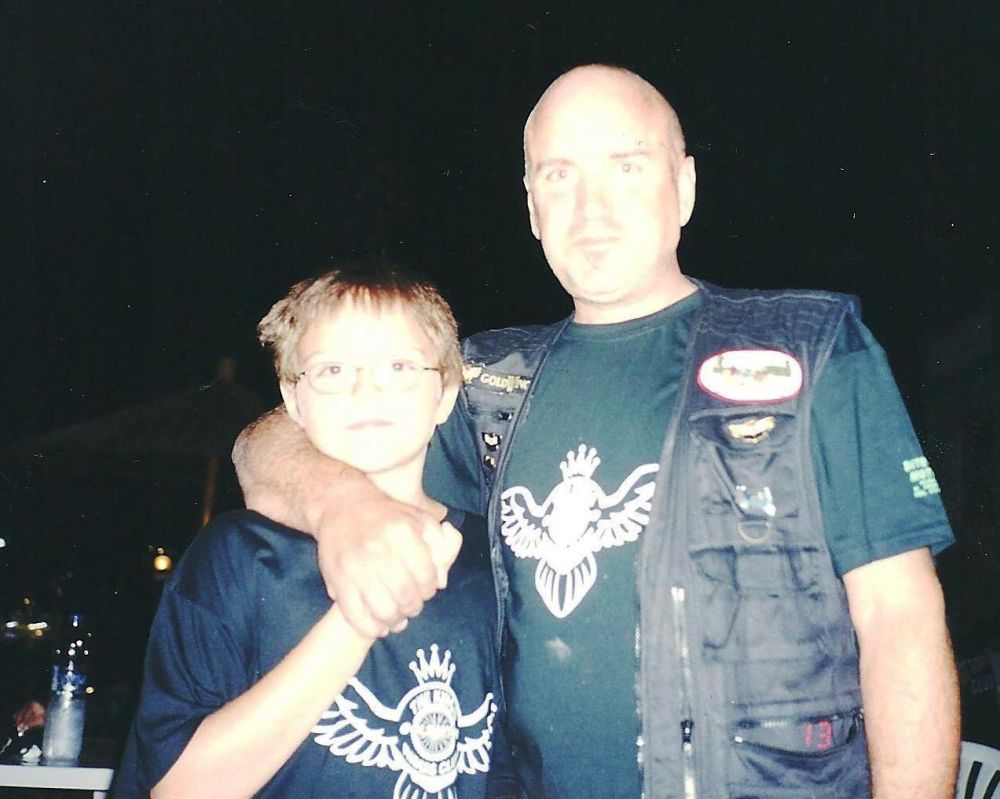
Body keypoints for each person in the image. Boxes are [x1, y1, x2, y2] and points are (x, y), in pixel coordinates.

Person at [234, 65, 961, 797]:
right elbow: (266, 442)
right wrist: (342, 505)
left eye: (626, 166)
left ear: (684, 187)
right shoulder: (486, 383)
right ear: (532, 207)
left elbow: (900, 616)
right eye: (560, 175)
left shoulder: (811, 349)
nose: (592, 207)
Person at [113, 266, 515, 798]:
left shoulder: (497, 561)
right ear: (294, 400)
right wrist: (361, 615)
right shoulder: (237, 556)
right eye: (333, 370)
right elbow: (180, 789)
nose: (367, 390)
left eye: (399, 366)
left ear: (444, 394)